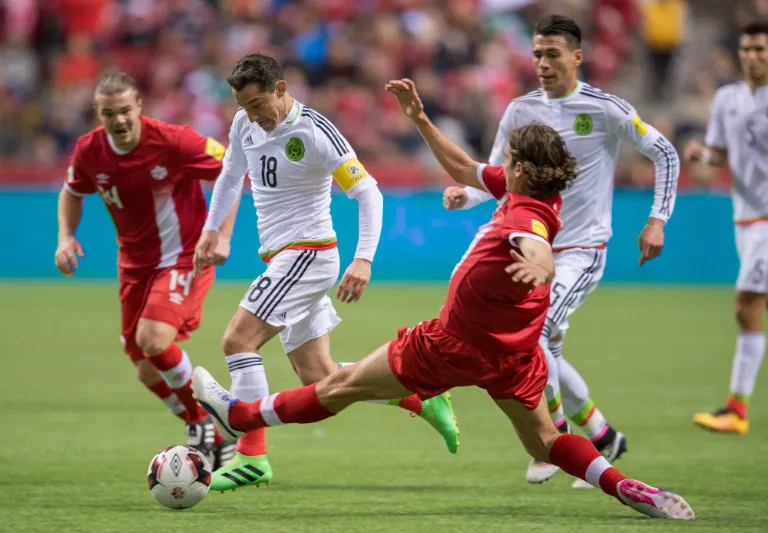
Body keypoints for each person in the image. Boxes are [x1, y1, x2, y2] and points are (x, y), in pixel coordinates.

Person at [193, 78, 695, 521]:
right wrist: (421, 120)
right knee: (544, 440)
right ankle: (625, 486)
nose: (500, 167)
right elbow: (463, 165)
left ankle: (240, 419)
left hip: (450, 344)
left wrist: (540, 265)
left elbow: (535, 244)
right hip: (513, 358)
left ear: (519, 168)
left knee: (337, 385)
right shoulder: (533, 191)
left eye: (507, 161)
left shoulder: (525, 215)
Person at [193, 53, 459, 492]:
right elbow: (229, 176)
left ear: (281, 89)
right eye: (243, 106)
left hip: (308, 254)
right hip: (283, 257)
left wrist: (364, 258)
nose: (252, 115)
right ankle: (420, 396)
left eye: (257, 104)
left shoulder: (315, 132)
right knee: (320, 378)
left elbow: (368, 193)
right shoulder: (245, 124)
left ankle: (251, 456)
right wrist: (211, 231)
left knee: (238, 340)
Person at [442, 14, 680, 486]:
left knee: (537, 334)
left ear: (577, 56)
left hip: (580, 248)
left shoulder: (607, 108)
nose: (544, 64)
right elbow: (497, 174)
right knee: (546, 347)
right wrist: (464, 194)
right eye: (537, 55)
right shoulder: (518, 110)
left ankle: (556, 439)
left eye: (553, 54)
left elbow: (665, 153)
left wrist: (657, 220)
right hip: (530, 246)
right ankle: (603, 434)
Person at [54, 72, 238, 467]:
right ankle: (212, 431)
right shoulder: (89, 151)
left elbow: (232, 171)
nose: (118, 120)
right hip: (134, 267)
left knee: (154, 339)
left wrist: (222, 235)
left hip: (185, 256)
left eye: (125, 111)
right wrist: (66, 237)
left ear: (139, 106)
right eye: (109, 114)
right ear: (97, 114)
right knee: (145, 369)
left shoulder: (173, 141)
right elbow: (72, 191)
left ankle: (204, 420)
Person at [685, 22, 768, 435]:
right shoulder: (727, 98)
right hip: (745, 219)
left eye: (760, 49)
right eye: (747, 48)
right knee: (753, 309)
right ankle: (736, 408)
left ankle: (736, 409)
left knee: (746, 306)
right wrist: (702, 153)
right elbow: (721, 154)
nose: (752, 56)